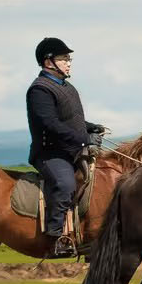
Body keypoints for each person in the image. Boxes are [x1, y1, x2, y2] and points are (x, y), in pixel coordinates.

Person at [26, 37, 108, 258]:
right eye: (64, 58)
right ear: (48, 61)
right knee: (65, 184)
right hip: (50, 154)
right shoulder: (39, 90)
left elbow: (71, 120)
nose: (69, 62)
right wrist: (82, 141)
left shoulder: (67, 87)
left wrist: (91, 128)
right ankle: (55, 238)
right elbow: (50, 124)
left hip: (71, 151)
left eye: (68, 58)